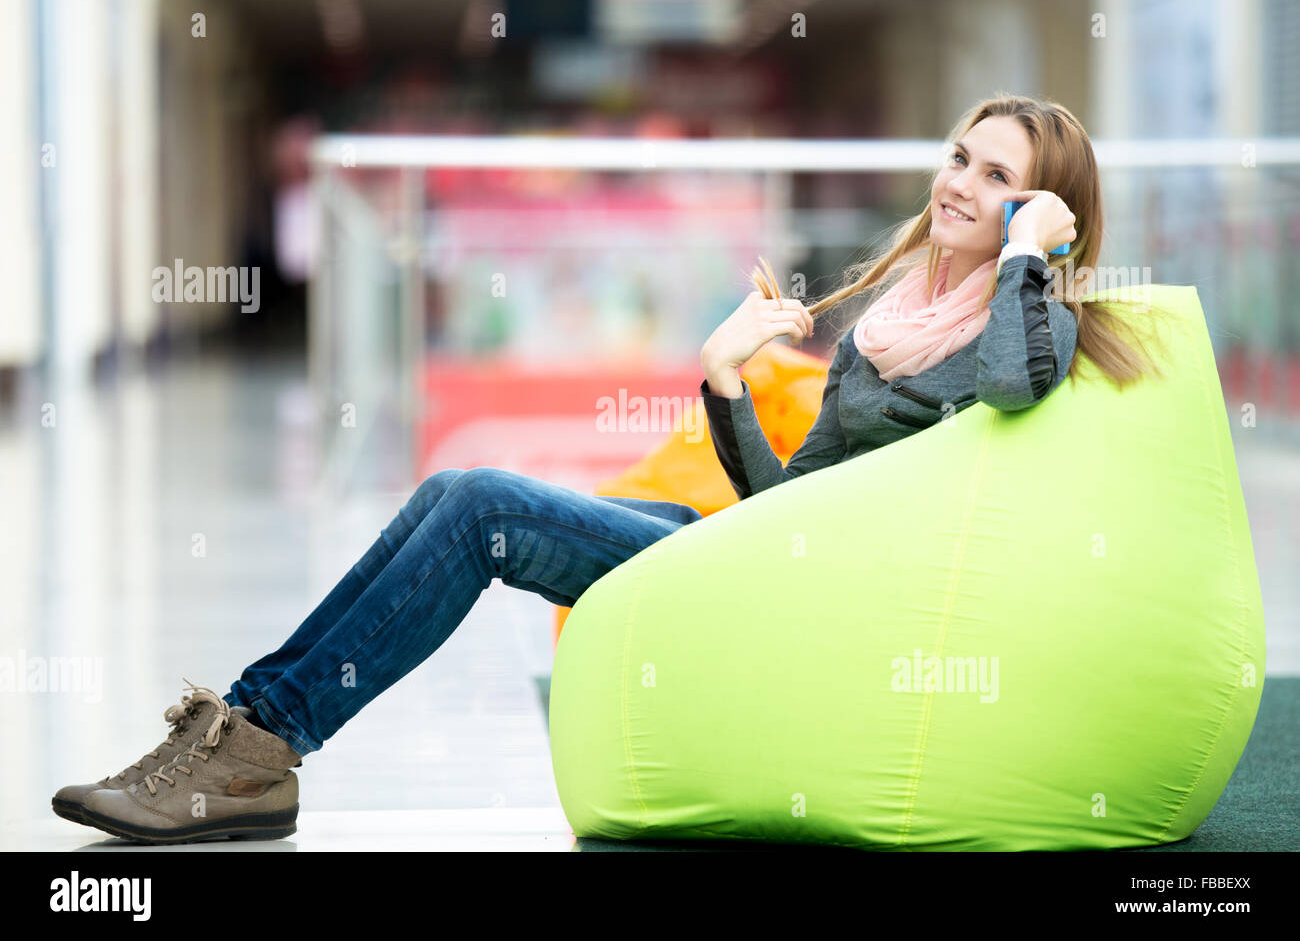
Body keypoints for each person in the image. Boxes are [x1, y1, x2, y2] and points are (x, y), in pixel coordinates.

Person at [52, 92, 1168, 844]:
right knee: (459, 491)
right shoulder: (893, 318)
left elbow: (1023, 386)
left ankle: (253, 752)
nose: (958, 183)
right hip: (779, 555)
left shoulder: (1029, 320)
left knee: (485, 505)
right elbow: (786, 503)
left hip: (826, 600)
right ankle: (250, 735)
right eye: (956, 158)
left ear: (1043, 208)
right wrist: (726, 378)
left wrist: (1031, 258)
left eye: (996, 176)